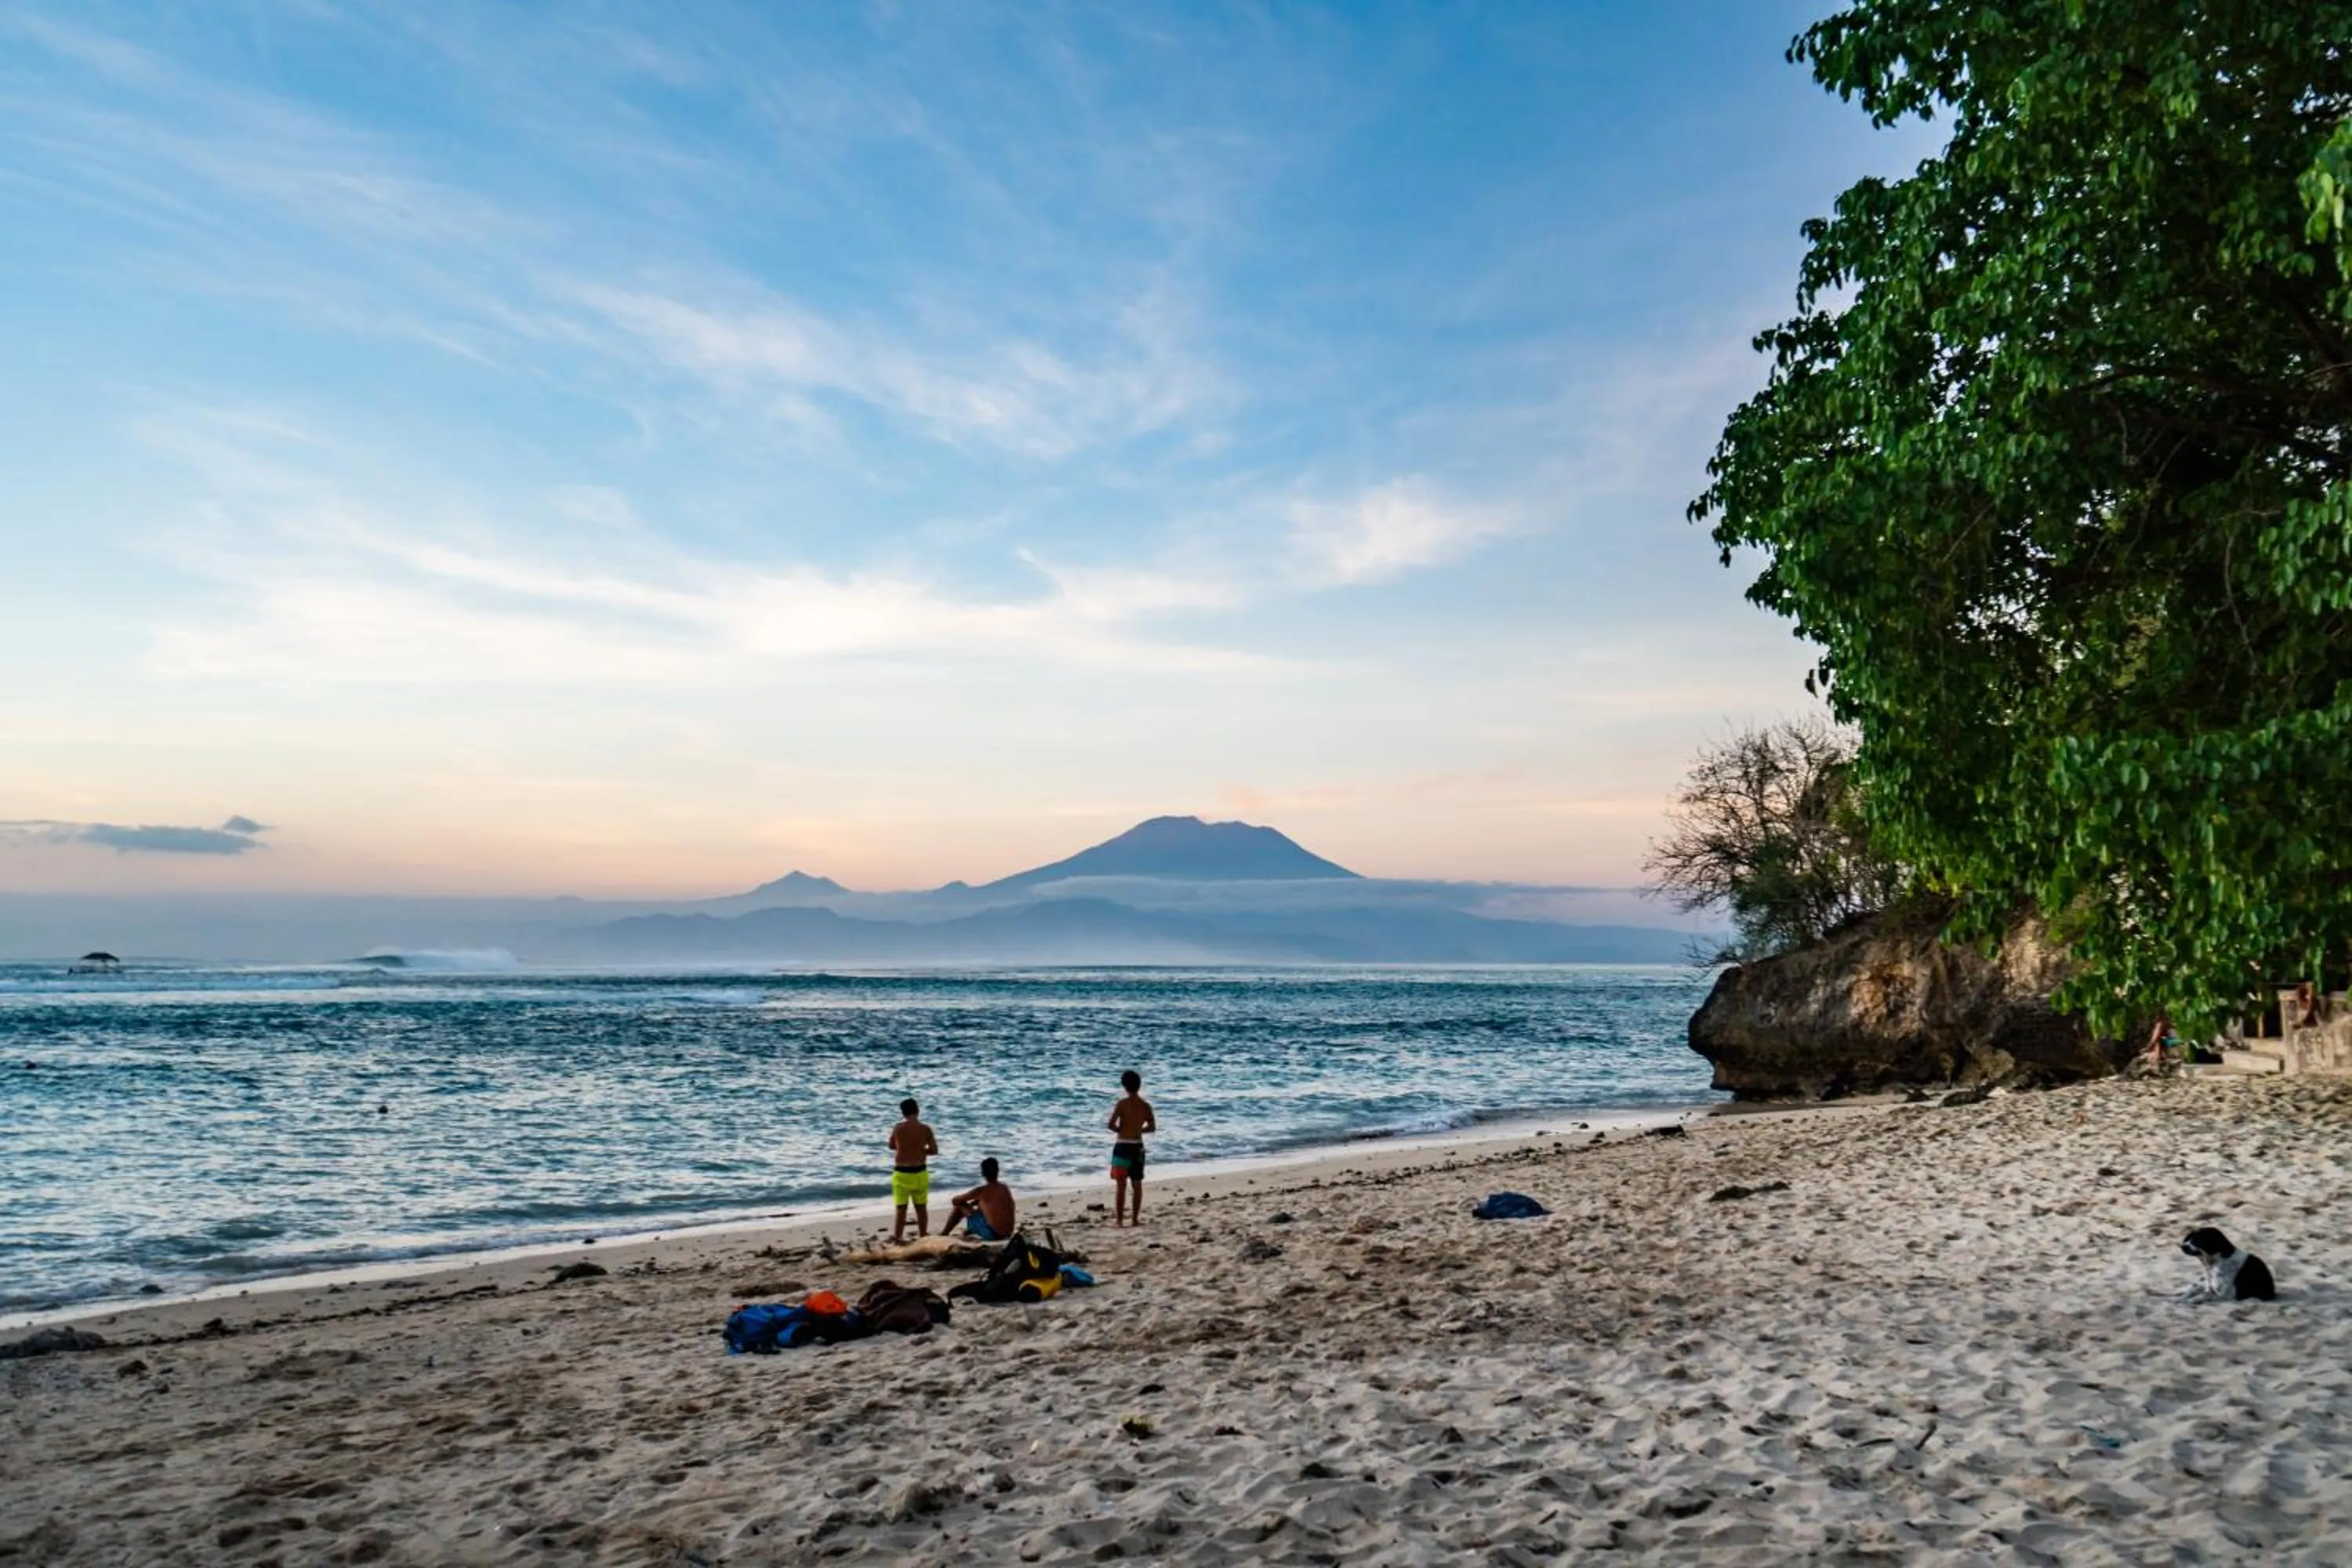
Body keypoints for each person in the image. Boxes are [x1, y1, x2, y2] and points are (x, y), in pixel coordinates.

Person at [1106, 1069, 1156, 1228]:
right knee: (1137, 1184)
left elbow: (1111, 1125)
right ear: (1139, 1086)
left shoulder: (1122, 1104)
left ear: (1124, 1087)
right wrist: (1138, 1130)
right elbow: (1152, 1127)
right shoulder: (1145, 1106)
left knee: (1121, 1186)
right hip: (1137, 1147)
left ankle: (1120, 1221)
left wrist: (1121, 1130)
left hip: (1122, 1147)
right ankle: (1135, 1219)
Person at [887, 1097, 939, 1243]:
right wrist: (921, 1151)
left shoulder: (898, 1128)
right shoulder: (926, 1129)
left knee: (901, 1209)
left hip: (901, 1173)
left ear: (903, 1114)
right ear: (918, 1111)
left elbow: (891, 1146)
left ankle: (898, 1237)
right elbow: (934, 1150)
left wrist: (905, 1148)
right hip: (920, 1172)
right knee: (921, 1208)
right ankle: (923, 1236)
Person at [940, 1156, 1017, 1242]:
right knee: (982, 1209)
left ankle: (944, 1233)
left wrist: (971, 1202)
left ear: (983, 1173)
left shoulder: (981, 1191)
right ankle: (972, 1229)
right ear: (998, 1171)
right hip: (1008, 1233)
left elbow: (955, 1201)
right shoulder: (1005, 1188)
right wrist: (978, 1202)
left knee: (959, 1206)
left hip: (994, 1235)